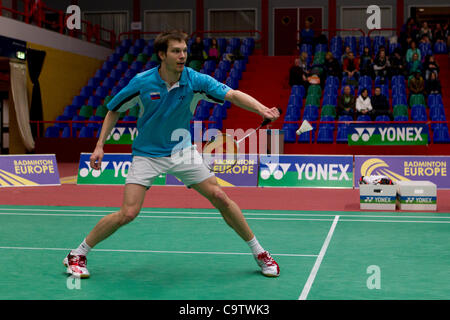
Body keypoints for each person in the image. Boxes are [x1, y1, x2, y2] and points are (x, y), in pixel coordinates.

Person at [63, 31, 281, 279]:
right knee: (128, 212)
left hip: (181, 151)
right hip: (147, 154)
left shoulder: (195, 80)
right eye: (176, 51)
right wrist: (100, 145)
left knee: (219, 195)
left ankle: (260, 253)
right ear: (162, 55)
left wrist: (261, 109)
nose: (182, 56)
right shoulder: (142, 82)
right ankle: (77, 254)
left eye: (185, 51)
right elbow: (113, 110)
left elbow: (231, 94)